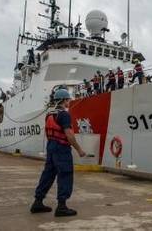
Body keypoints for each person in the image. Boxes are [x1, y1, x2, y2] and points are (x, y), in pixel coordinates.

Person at [30, 89, 86, 217]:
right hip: (61, 148)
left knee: (48, 175)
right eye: (68, 100)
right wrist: (79, 150)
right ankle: (62, 206)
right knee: (65, 174)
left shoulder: (50, 114)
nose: (69, 102)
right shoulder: (64, 115)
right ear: (64, 100)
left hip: (51, 146)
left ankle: (37, 202)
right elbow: (69, 135)